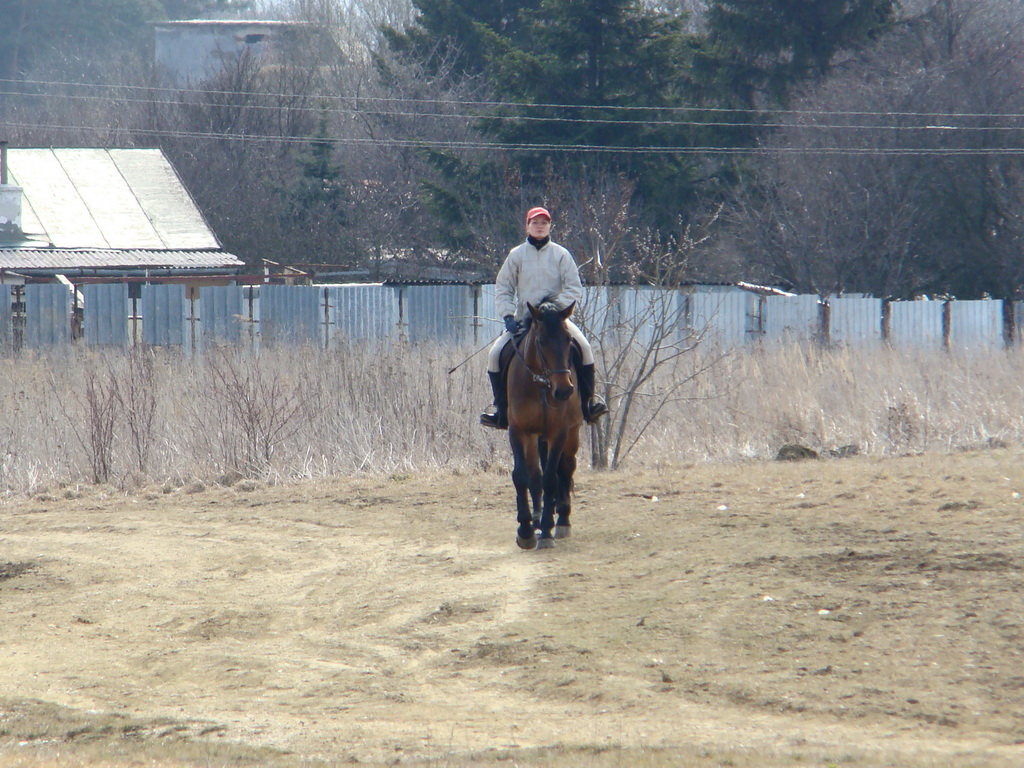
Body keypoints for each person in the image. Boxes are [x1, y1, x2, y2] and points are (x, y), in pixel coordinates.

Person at [480, 206, 609, 430]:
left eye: (544, 223)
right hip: (524, 319)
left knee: (585, 349)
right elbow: (504, 287)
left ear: (550, 226)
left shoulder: (561, 254)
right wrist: (508, 315)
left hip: (556, 320)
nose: (540, 226)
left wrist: (554, 309)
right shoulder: (517, 255)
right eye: (535, 223)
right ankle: (501, 410)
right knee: (494, 355)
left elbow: (573, 288)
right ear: (527, 226)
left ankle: (589, 403)